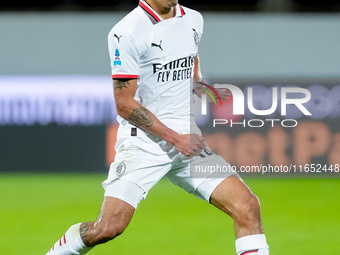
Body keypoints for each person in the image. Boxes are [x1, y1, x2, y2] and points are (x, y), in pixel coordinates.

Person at [45, 0, 270, 254]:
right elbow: (124, 103)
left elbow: (190, 60)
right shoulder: (127, 32)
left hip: (188, 142)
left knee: (247, 206)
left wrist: (203, 88)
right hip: (144, 145)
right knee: (107, 228)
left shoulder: (194, 19)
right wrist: (176, 139)